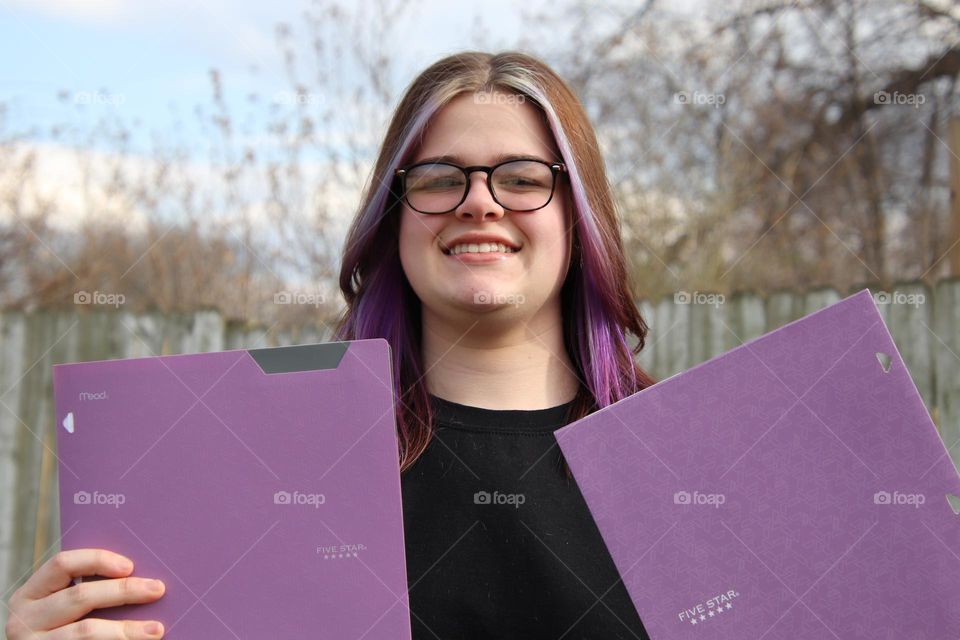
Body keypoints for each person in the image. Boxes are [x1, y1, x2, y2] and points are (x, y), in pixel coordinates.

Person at [5, 50, 655, 640]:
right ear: (392, 217)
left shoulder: (676, 463)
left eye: (521, 177)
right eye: (436, 178)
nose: (479, 202)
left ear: (579, 214)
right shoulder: (261, 466)